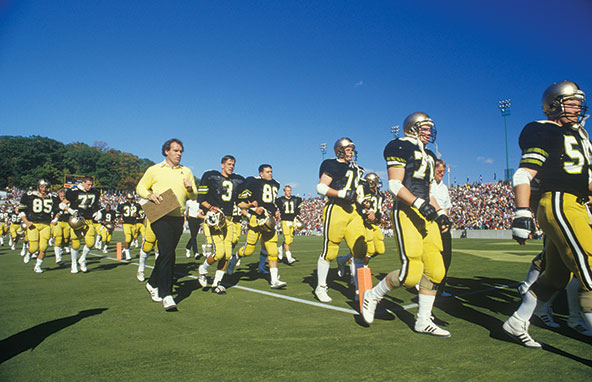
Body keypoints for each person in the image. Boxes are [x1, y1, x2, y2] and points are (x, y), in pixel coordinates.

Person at [503, 80, 592, 348]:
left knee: (555, 276)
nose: (578, 108)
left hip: (577, 204)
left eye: (579, 102)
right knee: (589, 270)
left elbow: (585, 182)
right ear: (554, 105)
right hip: (559, 203)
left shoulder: (580, 136)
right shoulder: (541, 130)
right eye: (571, 102)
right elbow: (524, 173)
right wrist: (521, 212)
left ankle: (518, 321)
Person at [361, 112, 452, 337]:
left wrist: (440, 212)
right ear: (412, 128)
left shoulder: (429, 155)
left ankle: (422, 321)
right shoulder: (399, 146)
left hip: (425, 212)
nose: (429, 132)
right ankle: (373, 295)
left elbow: (429, 191)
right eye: (425, 128)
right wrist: (418, 203)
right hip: (406, 211)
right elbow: (394, 185)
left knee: (436, 271)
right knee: (411, 274)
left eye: (431, 128)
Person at [136, 138, 197, 311]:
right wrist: (149, 196)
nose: (179, 154)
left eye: (181, 151)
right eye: (176, 150)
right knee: (168, 252)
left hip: (178, 216)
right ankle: (167, 294)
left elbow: (194, 197)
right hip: (159, 215)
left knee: (166, 253)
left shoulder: (186, 172)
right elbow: (140, 188)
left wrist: (190, 188)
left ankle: (152, 282)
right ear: (166, 151)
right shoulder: (154, 169)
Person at [314, 137, 367, 303]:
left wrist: (365, 205)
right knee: (330, 250)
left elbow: (356, 191)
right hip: (336, 207)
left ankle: (361, 288)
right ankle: (321, 287)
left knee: (360, 249)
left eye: (352, 149)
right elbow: (321, 187)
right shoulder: (332, 164)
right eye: (348, 149)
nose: (351, 152)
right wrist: (342, 193)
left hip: (353, 211)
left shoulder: (356, 168)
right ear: (340, 150)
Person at [227, 164, 286, 289]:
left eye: (271, 171)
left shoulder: (276, 184)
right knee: (248, 251)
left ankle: (274, 280)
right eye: (267, 172)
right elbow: (240, 203)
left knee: (273, 250)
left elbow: (272, 201)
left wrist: (275, 210)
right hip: (256, 220)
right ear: (261, 174)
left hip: (269, 219)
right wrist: (252, 207)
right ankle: (235, 258)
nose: (270, 173)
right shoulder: (253, 182)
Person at [196, 155, 244, 294]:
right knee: (219, 253)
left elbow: (239, 202)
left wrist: (251, 205)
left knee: (228, 254)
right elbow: (201, 199)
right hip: (216, 219)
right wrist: (210, 207)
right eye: (229, 164)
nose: (231, 167)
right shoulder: (212, 177)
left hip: (229, 219)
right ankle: (203, 269)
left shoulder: (237, 180)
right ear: (222, 165)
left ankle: (217, 283)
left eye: (233, 164)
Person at [18, 179, 60, 273]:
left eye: (46, 187)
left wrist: (55, 219)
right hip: (33, 223)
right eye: (42, 187)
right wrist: (26, 221)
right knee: (33, 247)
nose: (44, 189)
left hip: (46, 224)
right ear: (38, 186)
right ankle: (29, 253)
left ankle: (38, 266)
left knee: (43, 247)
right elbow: (21, 210)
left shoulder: (52, 197)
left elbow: (58, 211)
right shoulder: (29, 196)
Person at [65, 176, 101, 273]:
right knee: (76, 243)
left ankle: (82, 259)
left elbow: (96, 204)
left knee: (90, 243)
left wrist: (97, 211)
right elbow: (63, 204)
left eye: (91, 185)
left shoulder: (95, 192)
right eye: (88, 184)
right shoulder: (73, 191)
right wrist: (70, 210)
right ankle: (73, 263)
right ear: (83, 183)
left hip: (88, 220)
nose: (90, 187)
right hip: (77, 219)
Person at [431, 160, 453, 297]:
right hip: (432, 224)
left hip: (444, 226)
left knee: (447, 257)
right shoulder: (428, 186)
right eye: (439, 171)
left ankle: (441, 287)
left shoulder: (444, 188)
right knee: (432, 258)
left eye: (443, 172)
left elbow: (446, 207)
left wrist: (447, 223)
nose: (442, 174)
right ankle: (428, 286)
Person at [275, 185, 303, 265]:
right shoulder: (280, 199)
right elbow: (274, 204)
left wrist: (298, 214)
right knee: (287, 240)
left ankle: (280, 248)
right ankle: (289, 257)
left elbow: (298, 207)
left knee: (290, 240)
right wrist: (275, 211)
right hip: (285, 221)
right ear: (284, 191)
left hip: (293, 221)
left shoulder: (296, 199)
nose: (289, 192)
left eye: (290, 190)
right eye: (287, 190)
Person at [117, 193, 141, 260]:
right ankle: (128, 255)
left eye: (131, 199)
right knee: (128, 238)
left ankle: (124, 251)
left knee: (131, 239)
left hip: (134, 223)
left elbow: (141, 213)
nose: (130, 200)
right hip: (126, 223)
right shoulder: (123, 205)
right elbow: (118, 212)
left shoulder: (137, 205)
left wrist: (137, 215)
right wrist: (119, 219)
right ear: (127, 199)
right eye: (129, 199)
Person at [52, 189, 71, 263]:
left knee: (66, 239)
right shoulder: (56, 201)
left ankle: (61, 249)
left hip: (67, 222)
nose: (62, 197)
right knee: (58, 238)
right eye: (61, 196)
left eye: (64, 196)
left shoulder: (69, 201)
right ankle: (58, 257)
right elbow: (56, 210)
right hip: (58, 222)